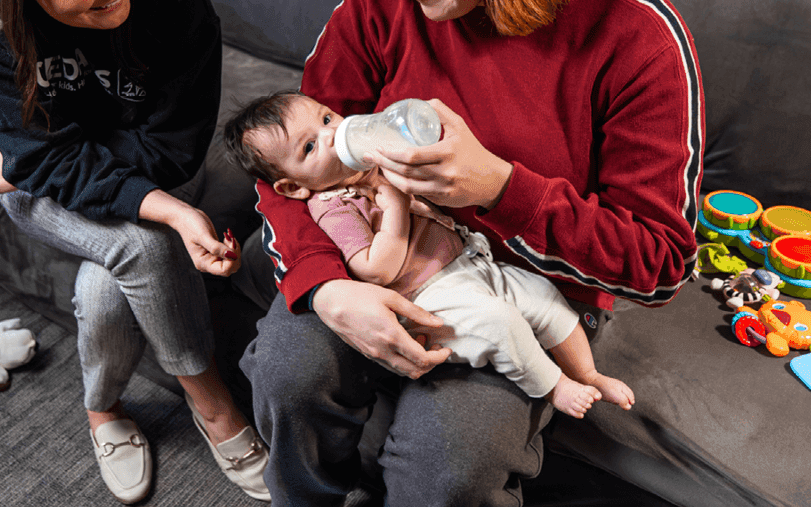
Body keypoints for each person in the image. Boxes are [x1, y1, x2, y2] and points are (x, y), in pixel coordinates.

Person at [239, 0, 703, 506]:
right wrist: (326, 285)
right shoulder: (380, 0)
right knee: (285, 371)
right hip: (373, 254)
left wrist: (498, 187)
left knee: (447, 465)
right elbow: (292, 162)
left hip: (522, 283)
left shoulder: (633, 37)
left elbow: (658, 263)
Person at [0, 0, 268, 504]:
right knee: (146, 243)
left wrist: (23, 160)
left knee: (113, 277)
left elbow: (173, 152)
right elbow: (49, 161)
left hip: (62, 171)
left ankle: (102, 409)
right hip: (42, 190)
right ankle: (212, 402)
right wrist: (41, 162)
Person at [224, 90, 635, 419]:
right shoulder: (335, 206)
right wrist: (396, 203)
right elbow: (376, 269)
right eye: (311, 147)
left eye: (327, 119)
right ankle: (554, 386)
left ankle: (588, 373)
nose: (332, 135)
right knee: (499, 322)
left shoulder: (372, 164)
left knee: (542, 295)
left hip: (468, 262)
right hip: (427, 295)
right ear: (294, 188)